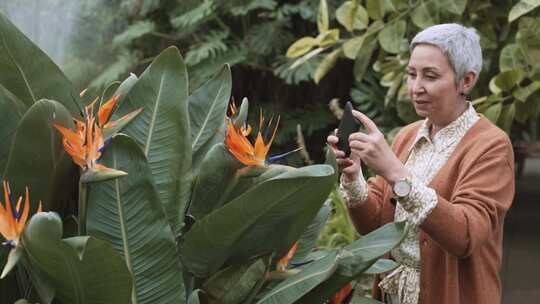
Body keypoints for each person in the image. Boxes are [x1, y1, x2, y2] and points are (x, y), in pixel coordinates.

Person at [327, 23, 515, 304]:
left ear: (466, 81)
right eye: (411, 74)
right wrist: (354, 176)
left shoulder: (491, 146)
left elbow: (465, 236)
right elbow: (374, 226)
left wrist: (395, 173)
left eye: (430, 76)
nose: (416, 87)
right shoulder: (407, 135)